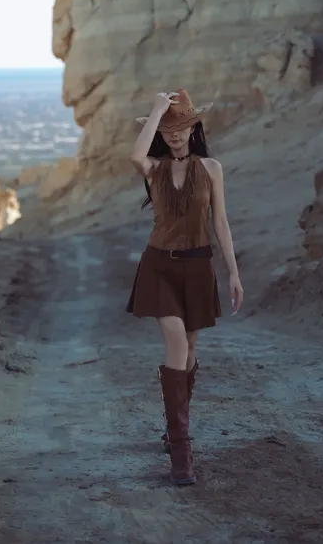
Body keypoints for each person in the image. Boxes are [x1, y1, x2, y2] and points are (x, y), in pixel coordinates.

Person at [126, 89, 243, 486]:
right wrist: (157, 110)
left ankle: (174, 427)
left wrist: (233, 273)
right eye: (167, 129)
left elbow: (220, 223)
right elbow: (134, 157)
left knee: (190, 349)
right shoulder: (154, 167)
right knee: (177, 343)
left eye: (181, 127)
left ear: (194, 128)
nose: (174, 135)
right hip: (158, 266)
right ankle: (181, 451)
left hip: (198, 267)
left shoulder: (211, 168)